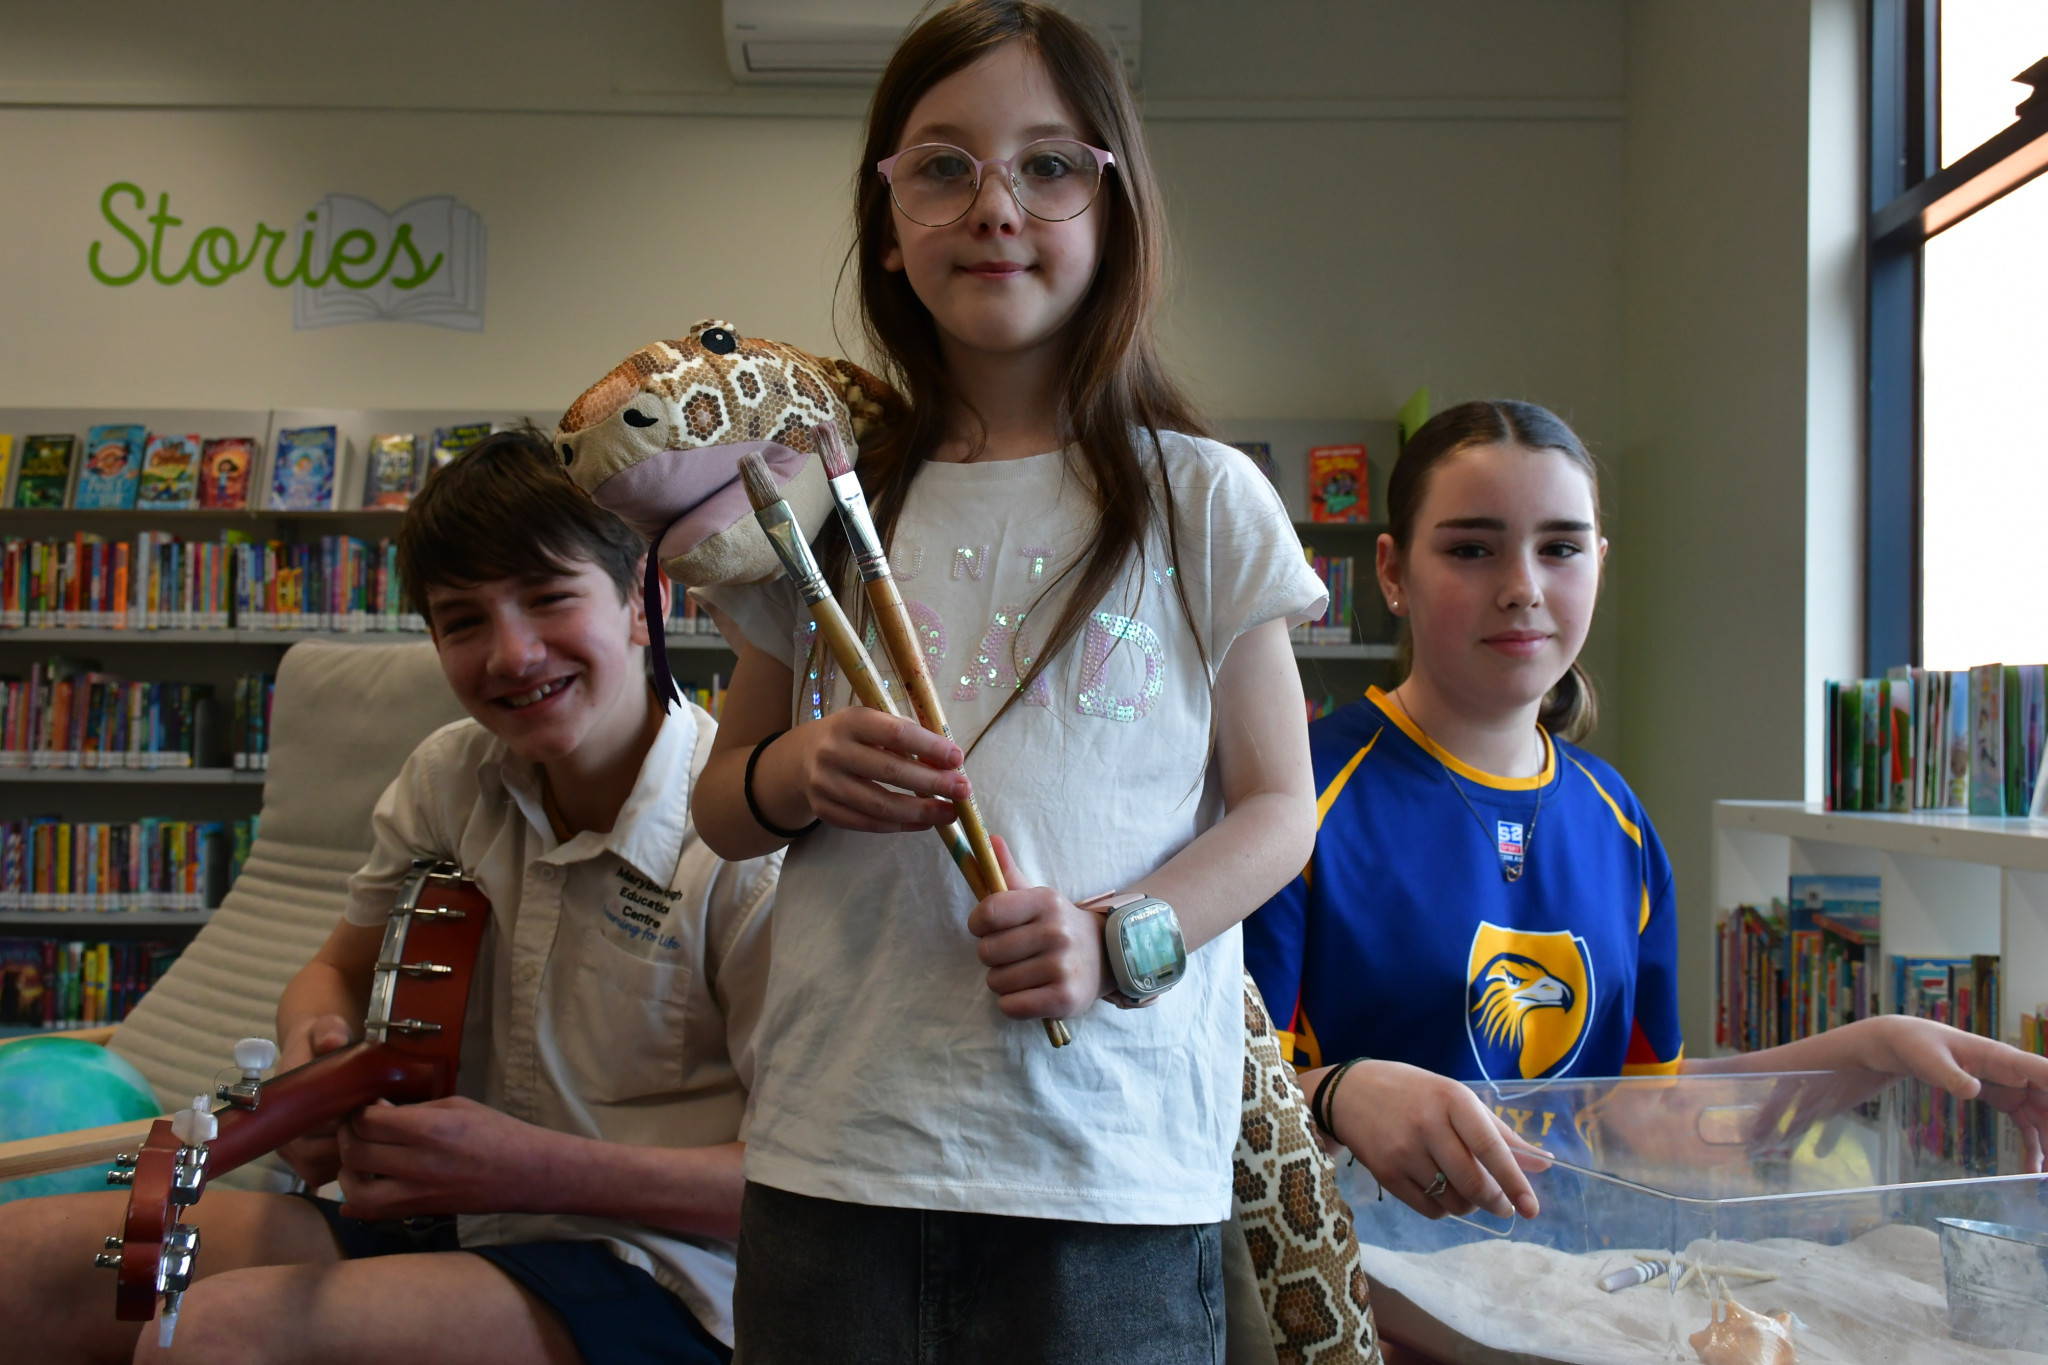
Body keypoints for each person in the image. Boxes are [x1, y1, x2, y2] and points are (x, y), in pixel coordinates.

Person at [691, 3, 1324, 1360]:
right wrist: (794, 774)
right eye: (941, 165)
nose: (995, 205)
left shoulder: (1200, 499)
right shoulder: (817, 502)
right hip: (834, 1154)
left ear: (1117, 203)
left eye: (1048, 164)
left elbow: (1281, 810)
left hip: (1107, 1168)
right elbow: (721, 806)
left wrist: (1119, 938)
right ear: (886, 220)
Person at [0, 430, 777, 1365]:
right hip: (443, 1218)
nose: (513, 654)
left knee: (214, 1335)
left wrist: (532, 1168)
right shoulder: (449, 777)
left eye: (548, 598)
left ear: (645, 601)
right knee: (24, 1264)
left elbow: (815, 1187)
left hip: (659, 1272)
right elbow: (332, 970)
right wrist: (310, 1057)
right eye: (462, 621)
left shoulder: (750, 836)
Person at [1244, 398, 2048, 1227]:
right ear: (1391, 571)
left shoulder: (1616, 818)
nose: (1522, 588)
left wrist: (1873, 1049)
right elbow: (1218, 1103)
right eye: (1472, 549)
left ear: (1599, 560)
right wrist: (1337, 1094)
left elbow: (1642, 1115)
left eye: (1559, 548)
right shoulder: (1296, 793)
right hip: (1357, 1313)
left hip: (1560, 1304)